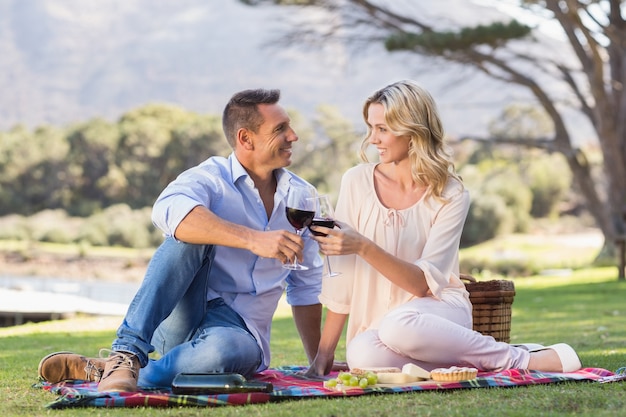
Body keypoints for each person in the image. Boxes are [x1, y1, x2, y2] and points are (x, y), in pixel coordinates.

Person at [38, 88, 324, 392]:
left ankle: (107, 371)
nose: (293, 136)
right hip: (183, 314)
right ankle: (127, 352)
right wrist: (253, 239)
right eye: (280, 129)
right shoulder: (209, 178)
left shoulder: (302, 197)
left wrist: (318, 360)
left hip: (242, 333)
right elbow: (168, 211)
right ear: (245, 138)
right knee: (188, 232)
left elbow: (305, 284)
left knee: (225, 352)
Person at [305, 80, 582, 377]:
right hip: (380, 326)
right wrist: (324, 354)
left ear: (413, 130)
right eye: (370, 128)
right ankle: (489, 360)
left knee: (398, 325)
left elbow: (422, 285)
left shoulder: (450, 193)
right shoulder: (356, 181)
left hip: (438, 312)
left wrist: (362, 245)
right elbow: (343, 275)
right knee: (362, 356)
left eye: (383, 128)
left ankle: (520, 360)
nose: (373, 139)